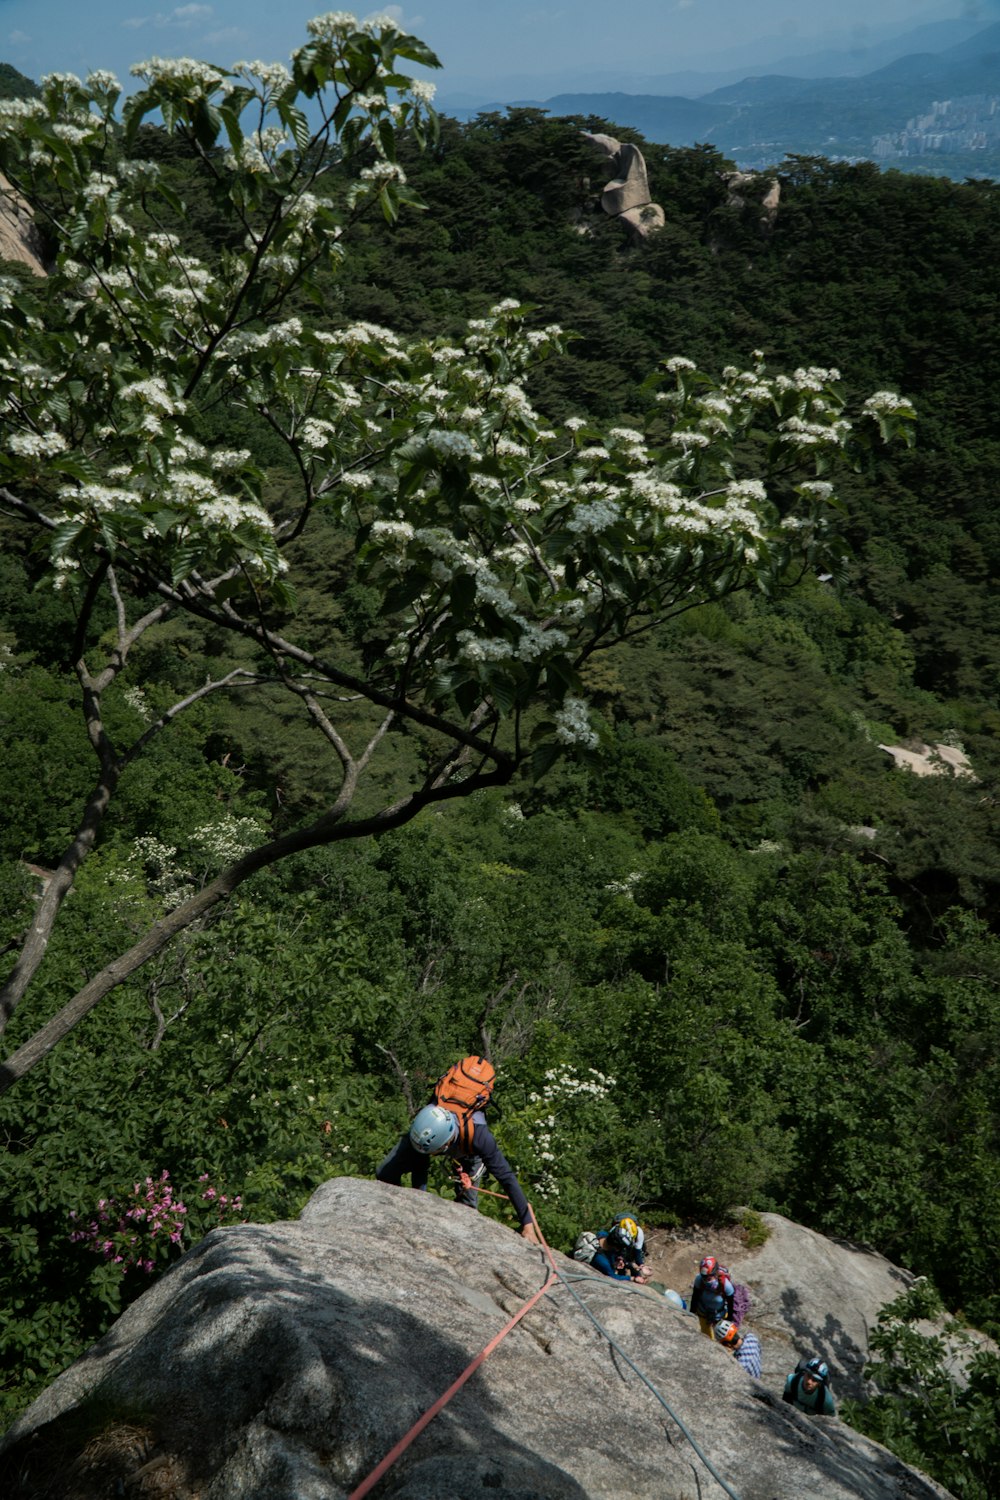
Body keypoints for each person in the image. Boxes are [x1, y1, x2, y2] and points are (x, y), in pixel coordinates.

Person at [376, 1058, 540, 1243]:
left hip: (469, 1154)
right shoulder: (430, 1115)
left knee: (467, 1209)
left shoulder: (479, 1137)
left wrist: (527, 1226)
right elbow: (420, 1160)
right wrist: (418, 1200)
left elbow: (506, 1177)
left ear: (445, 1146)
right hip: (426, 1138)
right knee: (385, 1172)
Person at [590, 1215, 652, 1283]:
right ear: (616, 1248)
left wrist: (619, 1259)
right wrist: (633, 1278)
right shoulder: (603, 1262)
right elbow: (612, 1276)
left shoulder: (603, 1234)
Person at [690, 1254, 735, 1336]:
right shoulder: (699, 1280)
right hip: (703, 1313)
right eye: (704, 1277)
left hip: (719, 1316)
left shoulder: (726, 1286)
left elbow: (731, 1304)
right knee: (706, 1336)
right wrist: (692, 1312)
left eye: (709, 1278)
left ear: (715, 1274)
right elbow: (695, 1296)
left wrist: (729, 1319)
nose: (706, 1281)